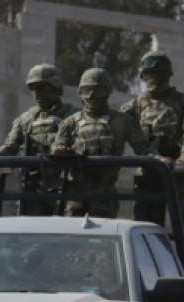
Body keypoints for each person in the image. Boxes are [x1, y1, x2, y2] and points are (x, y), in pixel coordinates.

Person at [120, 50, 184, 291]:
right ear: (143, 75)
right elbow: (115, 127)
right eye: (151, 73)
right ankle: (149, 281)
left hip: (179, 173)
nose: (156, 78)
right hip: (148, 174)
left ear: (169, 75)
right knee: (146, 230)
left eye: (161, 73)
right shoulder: (132, 107)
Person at [52, 67, 171, 218]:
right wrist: (59, 150)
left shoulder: (121, 121)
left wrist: (158, 158)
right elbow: (57, 147)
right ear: (80, 94)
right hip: (75, 195)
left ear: (108, 92)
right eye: (87, 91)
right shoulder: (70, 123)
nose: (92, 96)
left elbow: (143, 148)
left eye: (98, 91)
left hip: (105, 194)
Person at [0, 64, 80, 215]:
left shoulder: (75, 116)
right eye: (33, 88)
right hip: (33, 190)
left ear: (55, 86)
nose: (37, 93)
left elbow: (86, 147)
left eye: (42, 87)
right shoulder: (26, 119)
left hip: (67, 188)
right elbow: (10, 148)